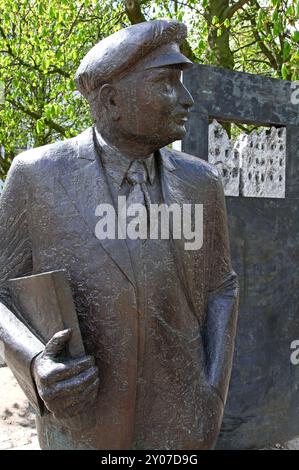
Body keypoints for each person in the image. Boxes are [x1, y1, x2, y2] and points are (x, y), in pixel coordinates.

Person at [0, 19, 239, 449]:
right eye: (167, 83)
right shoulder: (37, 176)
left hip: (182, 428)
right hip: (83, 425)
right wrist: (36, 366)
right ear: (111, 100)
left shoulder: (202, 183)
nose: (186, 99)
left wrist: (212, 393)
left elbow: (222, 287)